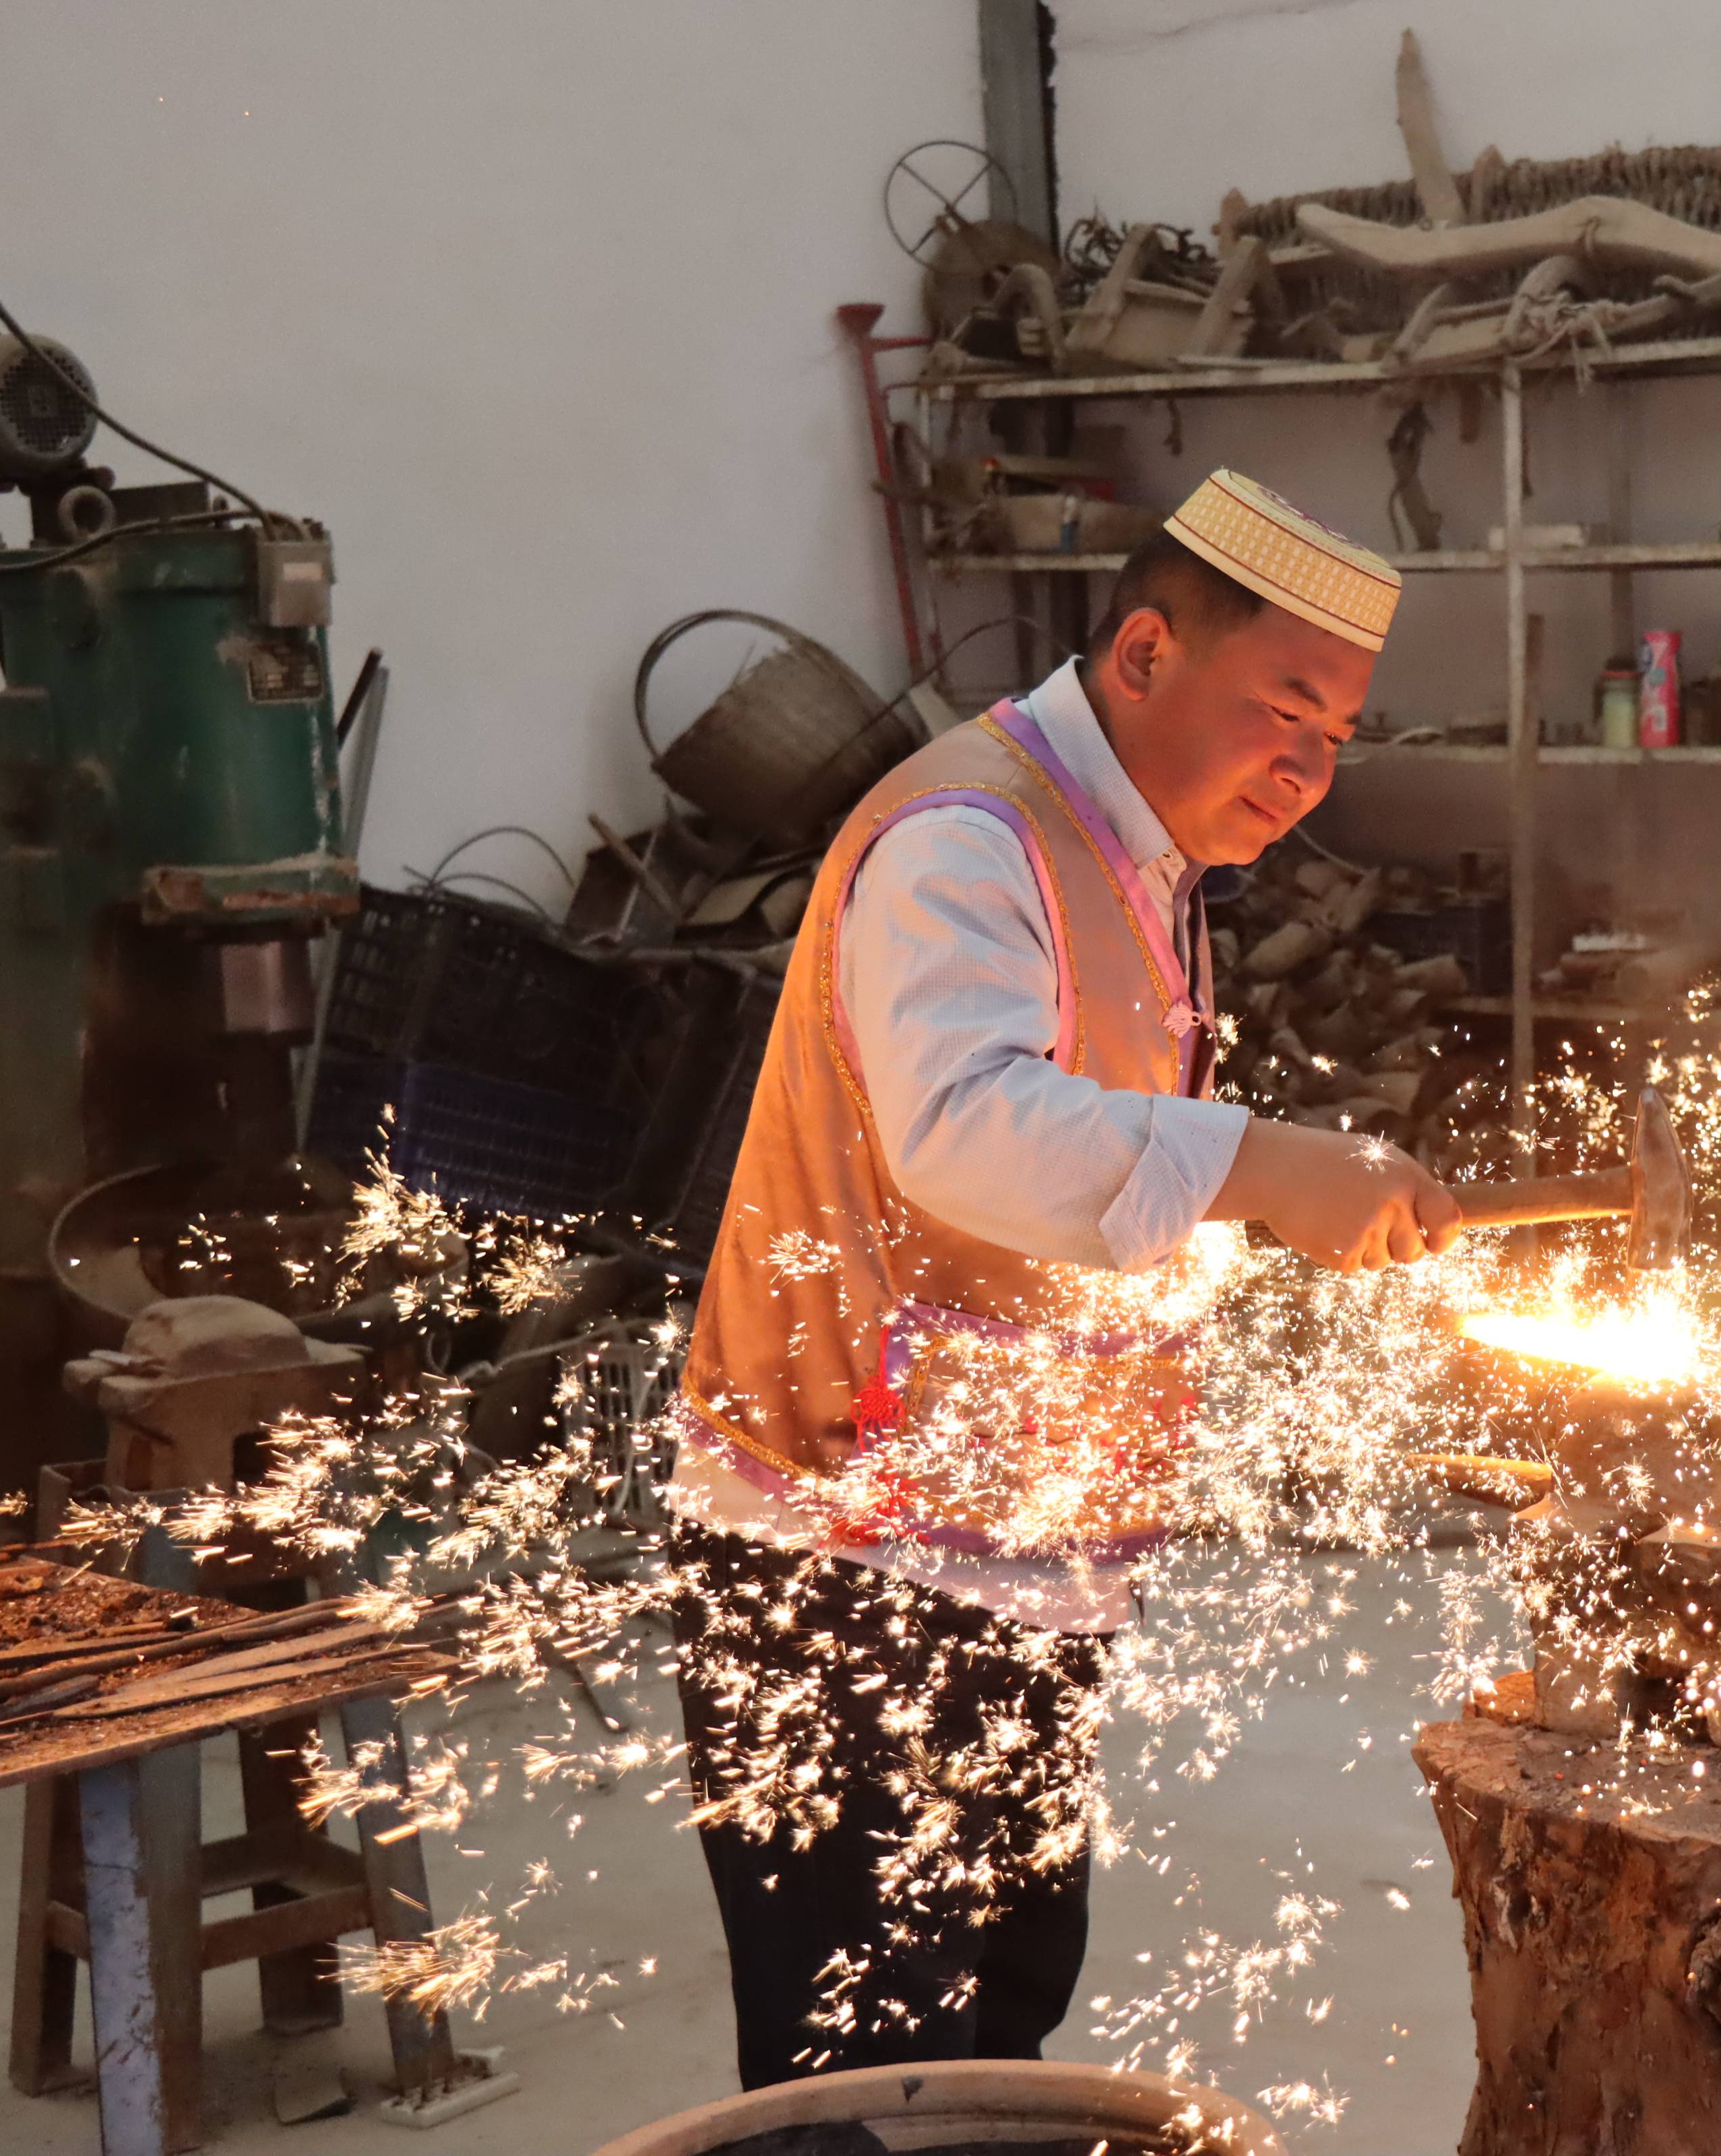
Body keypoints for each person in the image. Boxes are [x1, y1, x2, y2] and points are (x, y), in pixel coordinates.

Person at [668, 470, 1459, 2089]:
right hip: (848, 1561)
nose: (1308, 773)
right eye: (1284, 712)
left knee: (1005, 2016)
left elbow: (1078, 1181)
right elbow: (963, 1131)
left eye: (1338, 739)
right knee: (869, 2080)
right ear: (1151, 652)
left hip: (1010, 1541)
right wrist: (1256, 1163)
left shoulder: (1133, 853)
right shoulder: (968, 834)